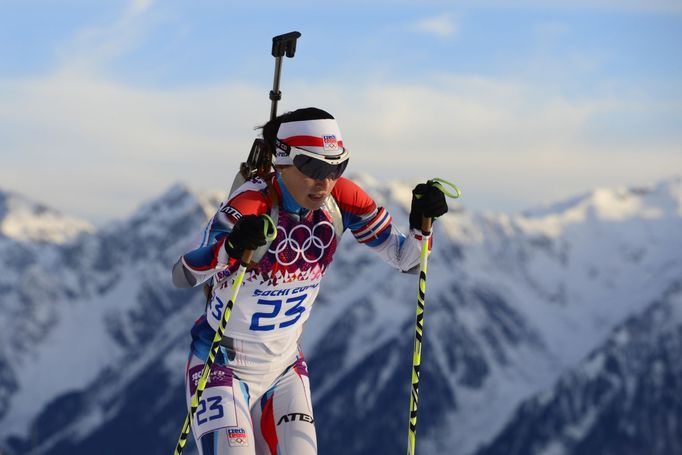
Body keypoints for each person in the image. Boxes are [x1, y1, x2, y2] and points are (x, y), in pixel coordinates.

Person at [171, 107, 448, 455]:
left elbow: (406, 262)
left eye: (337, 167)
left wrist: (422, 224)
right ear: (282, 161)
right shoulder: (253, 203)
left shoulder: (342, 200)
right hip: (220, 364)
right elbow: (183, 275)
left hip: (285, 367)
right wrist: (231, 246)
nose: (325, 181)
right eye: (314, 167)